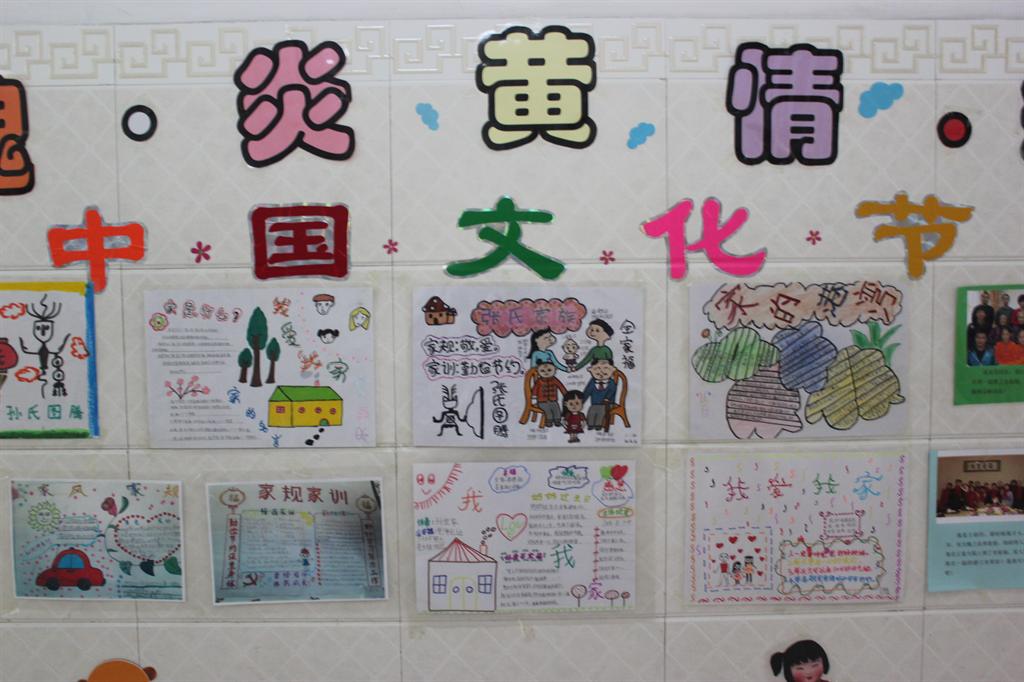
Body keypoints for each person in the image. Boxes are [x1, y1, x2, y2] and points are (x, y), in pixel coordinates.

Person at [581, 358, 617, 430]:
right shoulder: (592, 382)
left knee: (600, 412)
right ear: (590, 370)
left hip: (607, 403)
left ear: (613, 369)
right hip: (594, 403)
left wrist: (607, 398)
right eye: (597, 371)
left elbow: (612, 391)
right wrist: (581, 401)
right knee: (591, 411)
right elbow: (587, 392)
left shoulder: (611, 383)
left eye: (606, 369)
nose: (601, 372)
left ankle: (598, 425)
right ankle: (590, 424)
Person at [531, 361, 566, 427]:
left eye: (549, 370)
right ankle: (549, 421)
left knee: (556, 409)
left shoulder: (554, 380)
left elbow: (561, 387)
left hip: (553, 400)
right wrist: (534, 397)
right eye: (542, 371)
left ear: (555, 369)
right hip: (542, 401)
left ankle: (557, 421)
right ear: (538, 371)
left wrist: (566, 395)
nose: (546, 372)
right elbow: (535, 389)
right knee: (548, 411)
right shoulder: (539, 381)